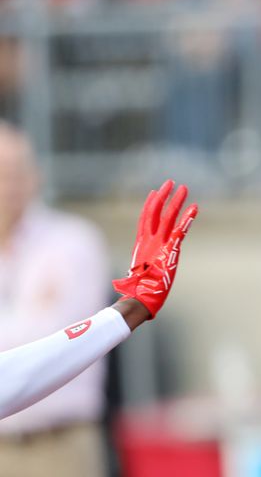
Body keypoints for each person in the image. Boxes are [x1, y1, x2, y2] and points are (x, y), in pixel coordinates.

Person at [0, 125, 197, 475]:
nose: (10, 186)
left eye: (18, 172)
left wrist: (127, 312)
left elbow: (49, 348)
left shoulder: (72, 240)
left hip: (61, 443)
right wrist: (128, 311)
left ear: (36, 175)